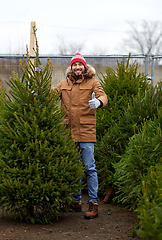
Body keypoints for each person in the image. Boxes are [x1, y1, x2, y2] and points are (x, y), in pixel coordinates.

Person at [52, 53, 108, 219]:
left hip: (86, 132)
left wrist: (98, 102)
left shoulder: (93, 83)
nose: (77, 68)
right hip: (68, 132)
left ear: (85, 67)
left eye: (80, 65)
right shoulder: (63, 84)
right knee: (73, 167)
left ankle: (93, 203)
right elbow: (51, 95)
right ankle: (75, 201)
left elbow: (103, 96)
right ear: (71, 67)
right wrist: (37, 92)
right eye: (74, 65)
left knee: (89, 168)